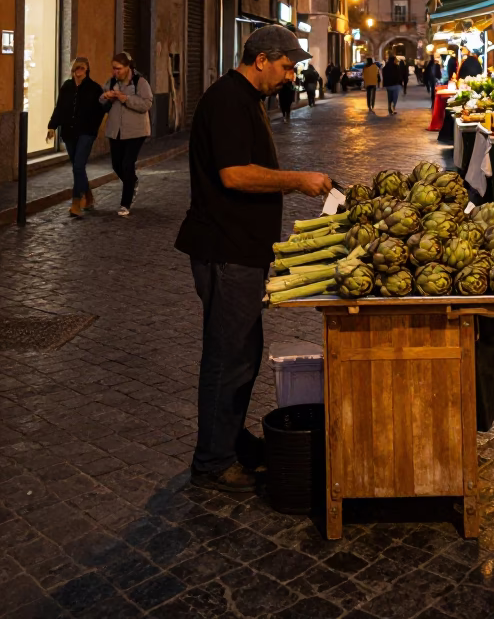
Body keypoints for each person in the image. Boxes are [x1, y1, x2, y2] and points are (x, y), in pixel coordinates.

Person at [176, 25, 332, 494]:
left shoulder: (246, 99)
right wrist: (297, 180)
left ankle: (228, 441)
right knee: (228, 357)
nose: (291, 76)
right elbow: (235, 175)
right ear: (261, 59)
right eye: (287, 67)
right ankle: (213, 461)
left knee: (241, 354)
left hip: (241, 249)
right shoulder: (227, 100)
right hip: (226, 250)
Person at [47, 57, 104, 218]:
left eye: (82, 68)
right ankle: (89, 196)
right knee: (78, 168)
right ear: (72, 70)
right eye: (76, 68)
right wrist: (52, 126)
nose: (78, 71)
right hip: (69, 133)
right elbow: (59, 107)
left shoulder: (94, 88)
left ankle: (76, 203)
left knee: (78, 166)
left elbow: (101, 111)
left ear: (87, 70)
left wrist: (93, 128)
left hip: (86, 133)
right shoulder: (67, 86)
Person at [100, 53, 153, 216]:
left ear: (127, 67)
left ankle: (125, 203)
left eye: (118, 68)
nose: (115, 71)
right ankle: (132, 182)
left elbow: (146, 104)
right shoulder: (111, 82)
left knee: (127, 164)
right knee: (117, 165)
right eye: (113, 68)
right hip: (116, 131)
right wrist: (106, 97)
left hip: (136, 131)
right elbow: (101, 101)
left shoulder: (140, 82)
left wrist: (125, 98)